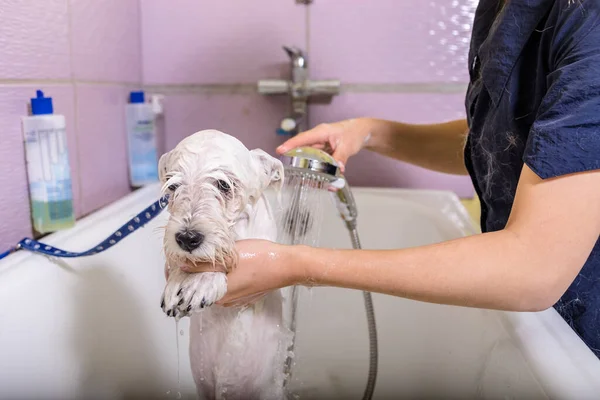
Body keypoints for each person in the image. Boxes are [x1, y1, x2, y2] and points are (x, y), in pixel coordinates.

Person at [185, 0, 600, 357]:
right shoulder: (505, 9)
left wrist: (294, 263)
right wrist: (370, 131)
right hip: (548, 328)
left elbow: (534, 267)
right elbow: (512, 143)